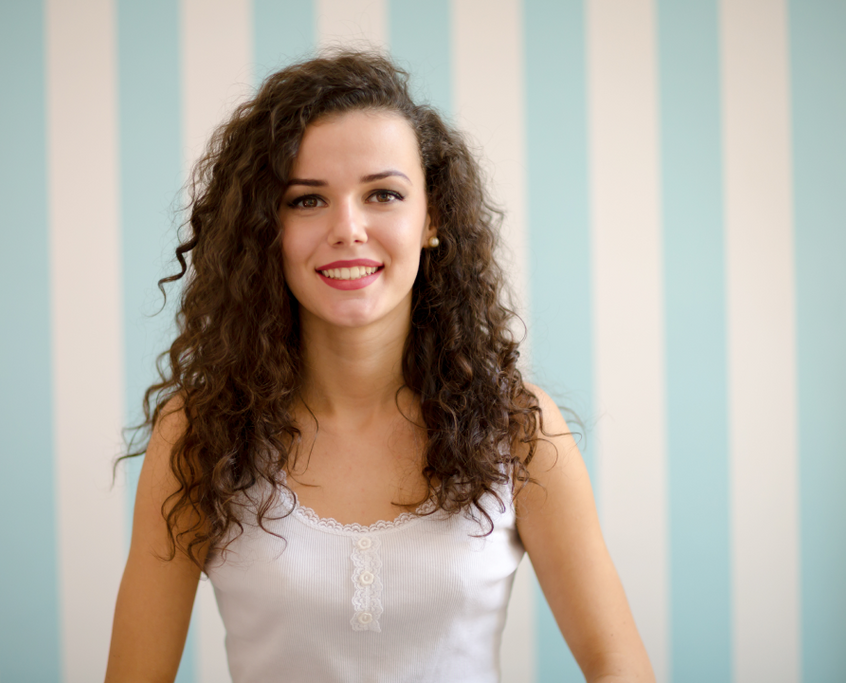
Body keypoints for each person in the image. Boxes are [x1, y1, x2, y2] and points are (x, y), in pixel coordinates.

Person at [105, 50, 653, 683]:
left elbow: (619, 665)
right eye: (307, 201)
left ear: (432, 220)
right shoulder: (198, 434)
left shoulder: (517, 429)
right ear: (266, 228)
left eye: (384, 194)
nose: (348, 229)